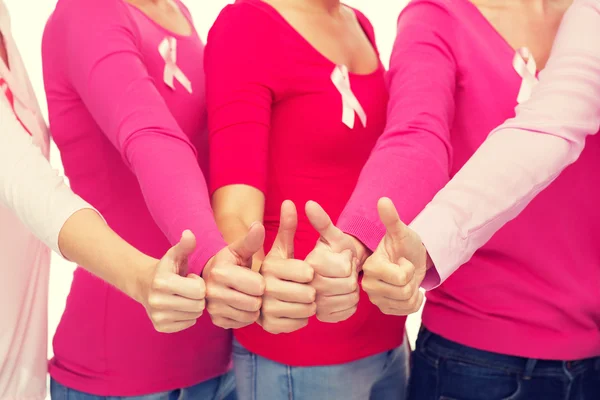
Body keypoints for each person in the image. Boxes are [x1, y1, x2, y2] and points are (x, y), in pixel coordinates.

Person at [332, 0, 600, 398]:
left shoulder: (587, 14)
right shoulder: (438, 17)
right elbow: (416, 135)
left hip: (592, 351)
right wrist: (366, 239)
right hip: (479, 357)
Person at [0, 1, 232, 398]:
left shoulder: (176, 10)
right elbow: (149, 135)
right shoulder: (87, 12)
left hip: (212, 356)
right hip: (122, 364)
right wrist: (213, 259)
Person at [205, 0, 409, 399]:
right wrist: (264, 287)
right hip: (301, 350)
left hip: (387, 333)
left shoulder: (359, 22)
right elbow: (233, 209)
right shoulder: (247, 24)